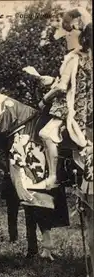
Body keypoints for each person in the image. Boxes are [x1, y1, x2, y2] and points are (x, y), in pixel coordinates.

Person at [29, 8, 92, 190]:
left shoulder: (74, 58)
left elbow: (62, 87)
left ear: (81, 36)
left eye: (69, 34)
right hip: (88, 107)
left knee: (45, 134)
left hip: (73, 108)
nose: (66, 38)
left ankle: (53, 177)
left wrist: (44, 100)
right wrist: (45, 79)